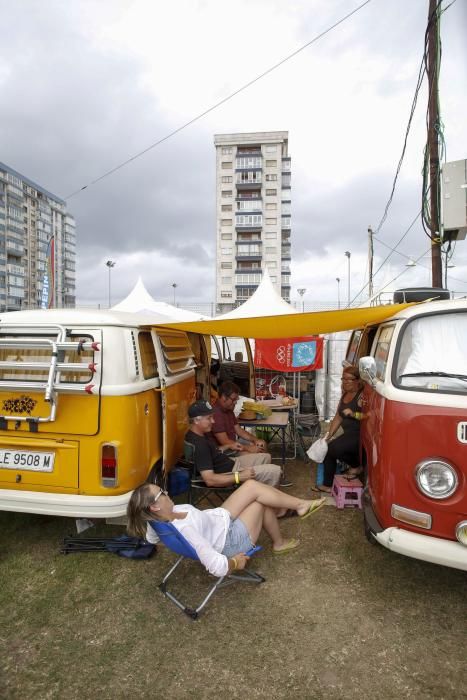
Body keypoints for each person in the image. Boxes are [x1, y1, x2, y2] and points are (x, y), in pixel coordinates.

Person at [127, 479, 326, 577]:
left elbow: (152, 539)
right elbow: (216, 566)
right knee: (259, 503)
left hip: (218, 520)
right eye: (161, 492)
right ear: (154, 506)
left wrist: (164, 538)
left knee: (251, 486)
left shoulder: (155, 520)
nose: (166, 491)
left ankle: (296, 509)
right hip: (228, 542)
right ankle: (289, 525)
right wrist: (233, 562)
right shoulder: (186, 529)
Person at [185, 400, 282, 488]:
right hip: (231, 472)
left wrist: (228, 446)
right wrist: (239, 476)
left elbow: (211, 453)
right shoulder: (199, 445)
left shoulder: (193, 435)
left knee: (266, 457)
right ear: (196, 420)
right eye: (209, 418)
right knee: (276, 471)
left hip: (231, 462)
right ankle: (262, 498)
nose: (213, 421)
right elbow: (210, 480)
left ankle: (256, 491)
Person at [312, 365, 365, 494]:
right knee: (328, 448)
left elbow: (369, 417)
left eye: (348, 379)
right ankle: (327, 485)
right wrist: (329, 434)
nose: (344, 382)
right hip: (349, 434)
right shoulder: (345, 394)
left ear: (357, 381)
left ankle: (356, 466)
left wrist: (354, 414)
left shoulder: (361, 397)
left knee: (332, 449)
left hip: (360, 434)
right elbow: (338, 417)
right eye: (343, 379)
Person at [212, 381, 268, 455]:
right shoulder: (216, 414)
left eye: (236, 399)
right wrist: (248, 448)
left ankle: (263, 463)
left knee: (261, 444)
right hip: (223, 452)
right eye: (233, 399)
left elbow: (239, 431)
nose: (235, 402)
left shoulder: (228, 409)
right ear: (223, 397)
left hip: (234, 445)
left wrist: (255, 440)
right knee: (254, 454)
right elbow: (226, 442)